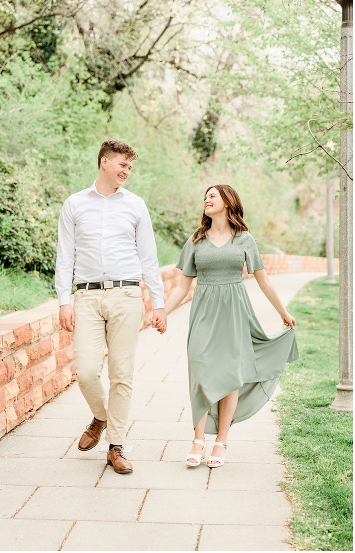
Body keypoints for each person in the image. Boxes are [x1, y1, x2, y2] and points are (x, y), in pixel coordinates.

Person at [162, 184, 298, 468]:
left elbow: (263, 280)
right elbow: (181, 286)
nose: (206, 200)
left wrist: (283, 312)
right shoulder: (196, 240)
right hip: (203, 314)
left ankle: (221, 440)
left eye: (212, 196)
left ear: (227, 201)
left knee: (231, 376)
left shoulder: (244, 239)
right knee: (200, 370)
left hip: (235, 313)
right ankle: (198, 438)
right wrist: (163, 311)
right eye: (205, 196)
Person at [55, 139, 167, 475]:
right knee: (86, 371)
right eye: (122, 164)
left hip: (127, 296)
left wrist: (158, 303)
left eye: (130, 167)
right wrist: (63, 299)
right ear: (104, 161)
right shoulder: (75, 204)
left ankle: (116, 446)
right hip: (87, 297)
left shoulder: (135, 205)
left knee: (122, 374)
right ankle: (100, 417)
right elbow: (64, 255)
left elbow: (149, 257)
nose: (126, 171)